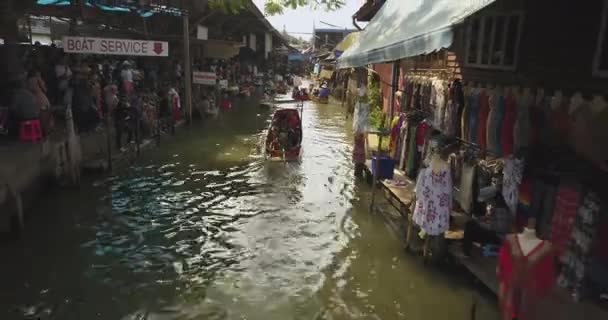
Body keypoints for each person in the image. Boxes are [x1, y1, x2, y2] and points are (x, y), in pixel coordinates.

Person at [26, 69, 52, 134]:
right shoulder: (37, 79)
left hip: (31, 99)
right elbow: (45, 89)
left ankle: (39, 130)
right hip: (41, 98)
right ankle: (45, 130)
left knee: (39, 115)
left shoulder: (27, 80)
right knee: (46, 114)